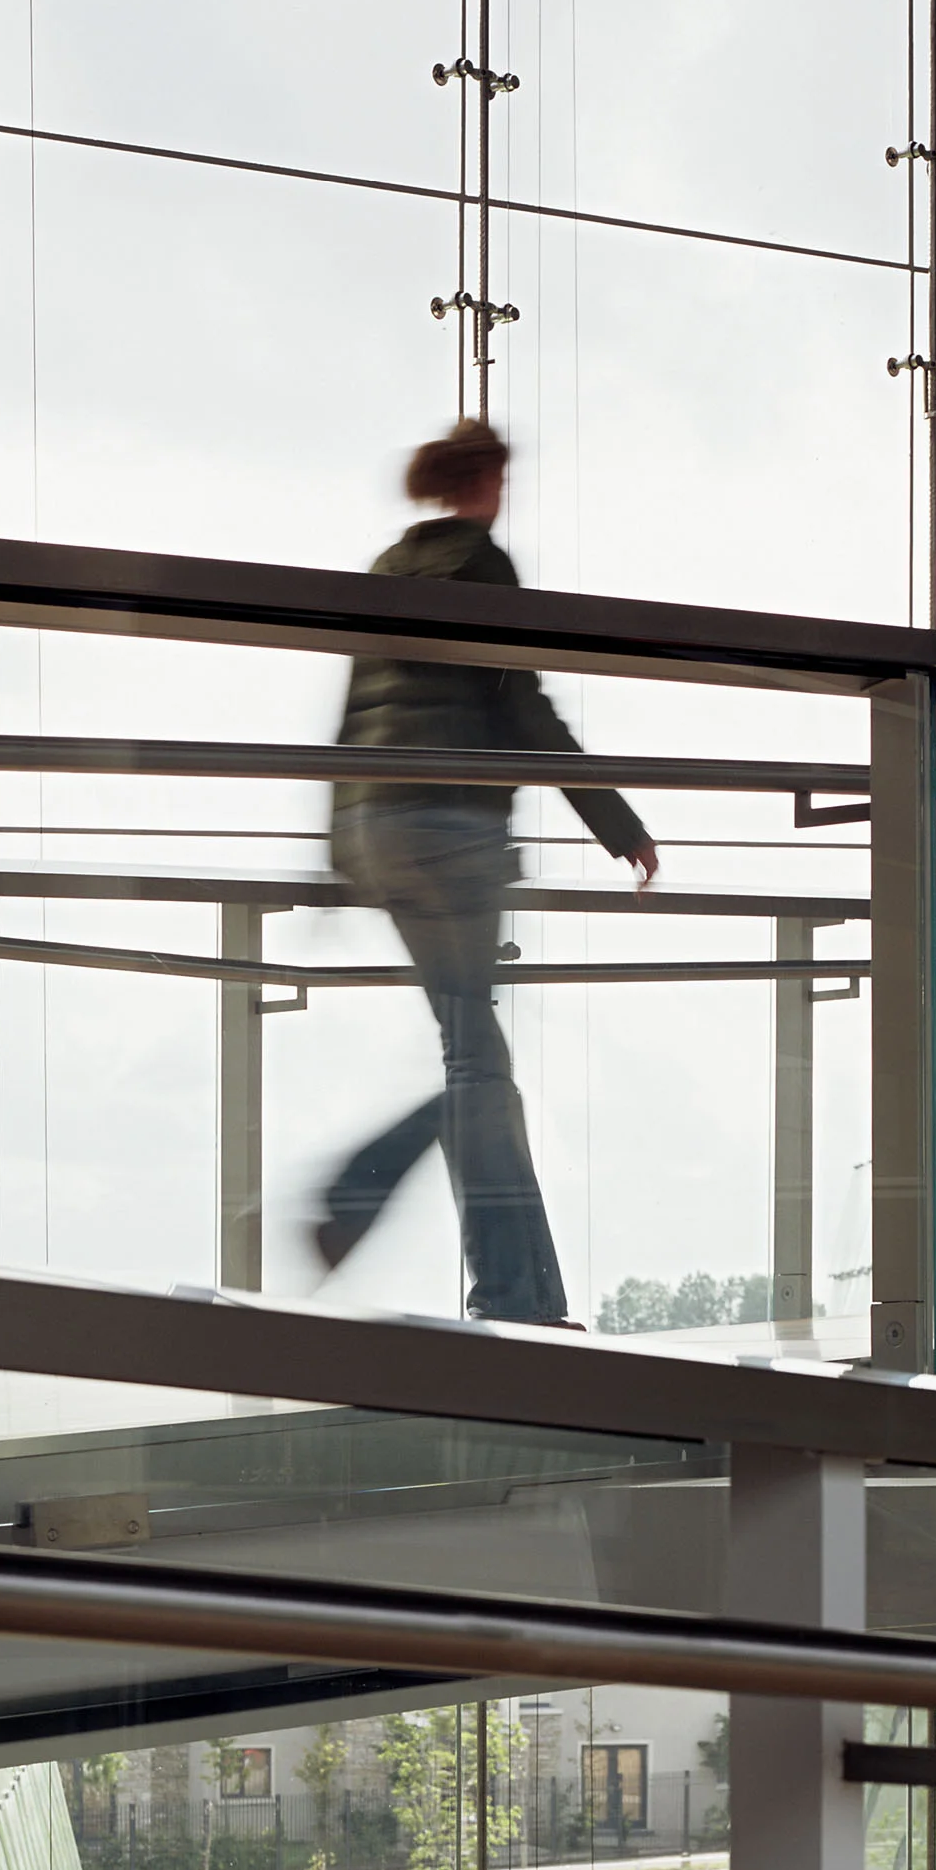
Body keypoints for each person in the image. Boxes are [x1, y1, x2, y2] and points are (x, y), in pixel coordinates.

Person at [310, 421, 657, 1326]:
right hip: (457, 823)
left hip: (379, 825)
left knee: (475, 1056)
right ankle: (396, 1215)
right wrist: (614, 821)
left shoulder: (386, 568)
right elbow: (525, 702)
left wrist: (338, 850)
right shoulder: (484, 565)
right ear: (489, 480)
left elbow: (353, 712)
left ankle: (520, 1293)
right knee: (473, 1061)